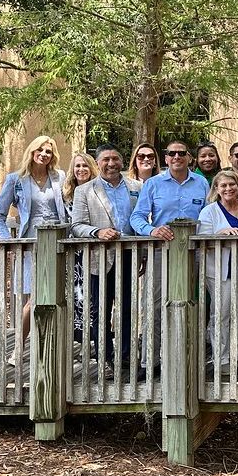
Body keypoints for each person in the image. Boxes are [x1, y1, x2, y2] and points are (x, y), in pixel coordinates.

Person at [130, 140, 209, 377]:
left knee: (193, 303)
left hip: (194, 252)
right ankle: (149, 361)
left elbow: (210, 214)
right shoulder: (153, 184)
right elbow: (137, 217)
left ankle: (188, 358)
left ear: (189, 157)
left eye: (181, 153)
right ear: (165, 158)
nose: (176, 157)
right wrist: (152, 230)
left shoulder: (201, 183)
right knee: (154, 305)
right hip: (161, 251)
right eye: (171, 153)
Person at [0, 135, 67, 363]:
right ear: (32, 152)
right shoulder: (15, 179)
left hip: (58, 241)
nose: (44, 154)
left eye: (48, 151)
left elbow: (69, 206)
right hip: (29, 245)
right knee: (33, 299)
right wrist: (9, 242)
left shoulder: (59, 177)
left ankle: (49, 348)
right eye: (40, 150)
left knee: (56, 298)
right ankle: (18, 348)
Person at [70, 145, 143, 368]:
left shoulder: (137, 187)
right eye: (106, 159)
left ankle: (126, 355)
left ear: (122, 161)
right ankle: (105, 357)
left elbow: (142, 219)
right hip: (100, 258)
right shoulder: (85, 191)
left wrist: (143, 254)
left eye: (115, 159)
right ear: (98, 163)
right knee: (100, 309)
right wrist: (97, 232)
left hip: (130, 255)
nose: (111, 164)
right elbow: (77, 225)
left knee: (128, 308)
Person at [197, 171, 238, 376]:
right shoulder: (209, 212)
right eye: (223, 185)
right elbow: (201, 242)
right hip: (220, 270)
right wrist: (219, 234)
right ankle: (222, 357)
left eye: (232, 184)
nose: (228, 189)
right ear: (216, 189)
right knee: (221, 314)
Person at [62, 152, 99, 351]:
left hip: (92, 250)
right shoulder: (66, 193)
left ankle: (93, 340)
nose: (81, 169)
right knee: (75, 296)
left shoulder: (97, 191)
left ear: (92, 169)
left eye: (85, 166)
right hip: (71, 253)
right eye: (77, 166)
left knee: (91, 295)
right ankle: (78, 340)